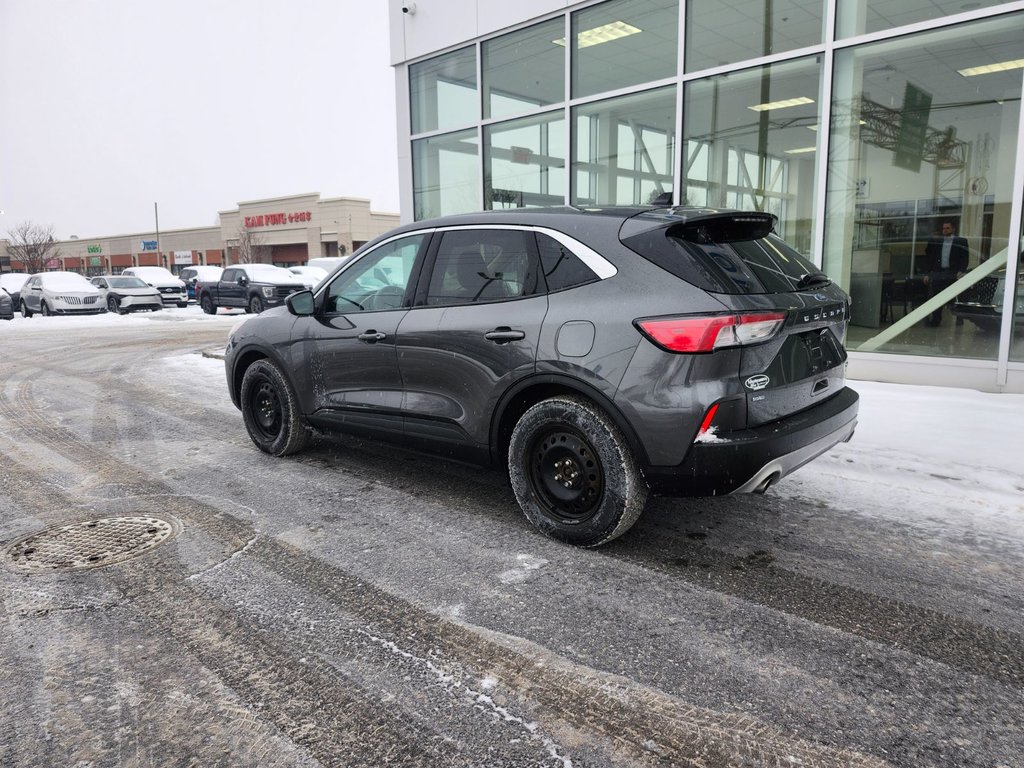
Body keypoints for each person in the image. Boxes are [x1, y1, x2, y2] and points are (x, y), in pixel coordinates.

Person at [922, 220, 969, 326]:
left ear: (953, 229)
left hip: (953, 272)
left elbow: (964, 258)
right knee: (937, 297)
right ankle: (936, 320)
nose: (945, 230)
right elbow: (930, 256)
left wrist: (961, 271)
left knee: (954, 297)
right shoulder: (938, 241)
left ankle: (959, 318)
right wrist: (927, 273)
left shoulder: (960, 241)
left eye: (947, 228)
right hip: (939, 272)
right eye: (943, 228)